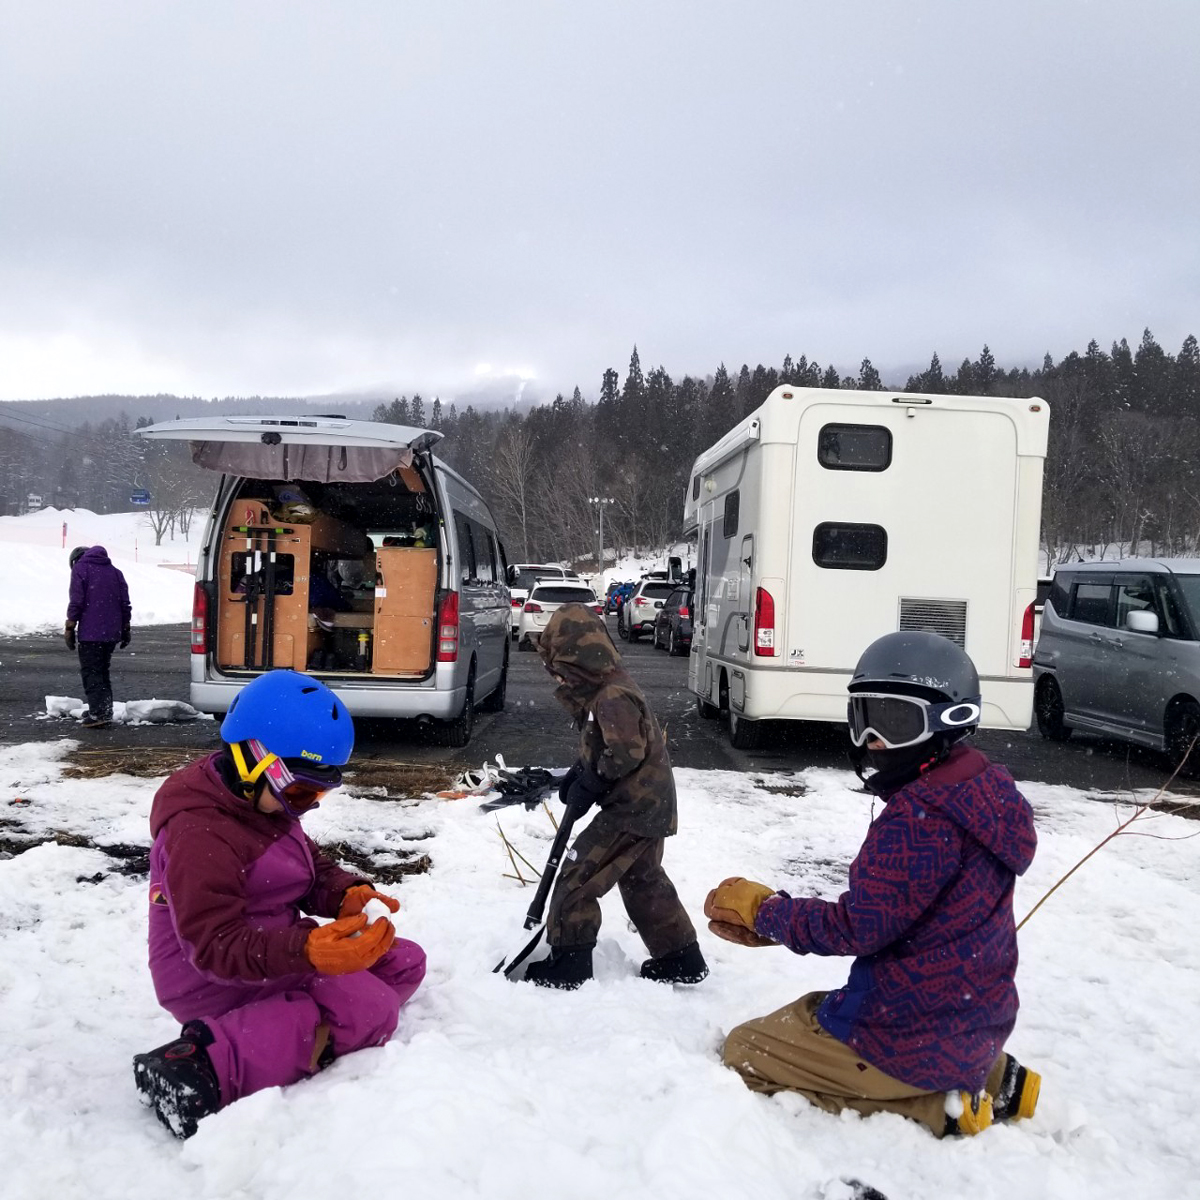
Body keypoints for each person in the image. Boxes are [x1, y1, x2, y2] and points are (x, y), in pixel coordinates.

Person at [708, 631, 1040, 1137]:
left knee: (746, 1049)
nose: (873, 742)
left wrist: (767, 911)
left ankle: (938, 1109)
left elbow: (857, 928)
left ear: (946, 722)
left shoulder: (921, 818)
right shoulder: (983, 789)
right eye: (863, 719)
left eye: (894, 722)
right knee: (816, 1007)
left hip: (906, 1032)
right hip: (976, 1016)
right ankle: (996, 1074)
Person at [132, 670, 426, 1139]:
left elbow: (306, 865)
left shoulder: (261, 805)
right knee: (370, 1009)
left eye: (319, 793)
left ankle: (312, 1016)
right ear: (252, 760)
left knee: (404, 960)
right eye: (300, 792)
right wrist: (311, 952)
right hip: (210, 975)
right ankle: (206, 1060)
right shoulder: (199, 832)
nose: (307, 807)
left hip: (275, 946)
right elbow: (212, 946)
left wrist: (347, 893)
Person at [525, 603, 707, 989]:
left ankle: (570, 963)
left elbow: (626, 753)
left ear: (577, 655)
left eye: (557, 663)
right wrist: (581, 771)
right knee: (643, 880)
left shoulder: (611, 695)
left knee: (576, 877)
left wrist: (594, 782)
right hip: (650, 805)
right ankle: (680, 958)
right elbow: (607, 742)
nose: (553, 673)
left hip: (633, 808)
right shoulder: (607, 684)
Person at [64, 544, 131, 729]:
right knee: (102, 670)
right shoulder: (115, 572)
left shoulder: (81, 569)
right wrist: (126, 627)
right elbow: (125, 603)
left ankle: (99, 713)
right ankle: (102, 709)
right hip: (111, 633)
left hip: (91, 633)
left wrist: (70, 626)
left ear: (76, 559)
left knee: (91, 672)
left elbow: (76, 600)